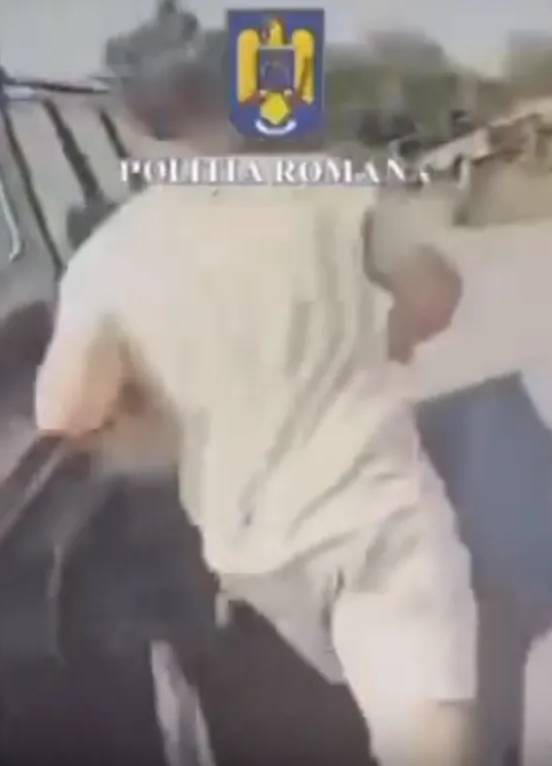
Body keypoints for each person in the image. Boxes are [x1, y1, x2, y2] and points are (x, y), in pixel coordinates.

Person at [33, 15, 477, 766]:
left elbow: (64, 411)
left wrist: (152, 416)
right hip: (372, 516)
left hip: (254, 557)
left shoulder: (104, 263)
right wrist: (385, 340)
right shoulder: (330, 189)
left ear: (132, 122)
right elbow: (436, 293)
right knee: (423, 722)